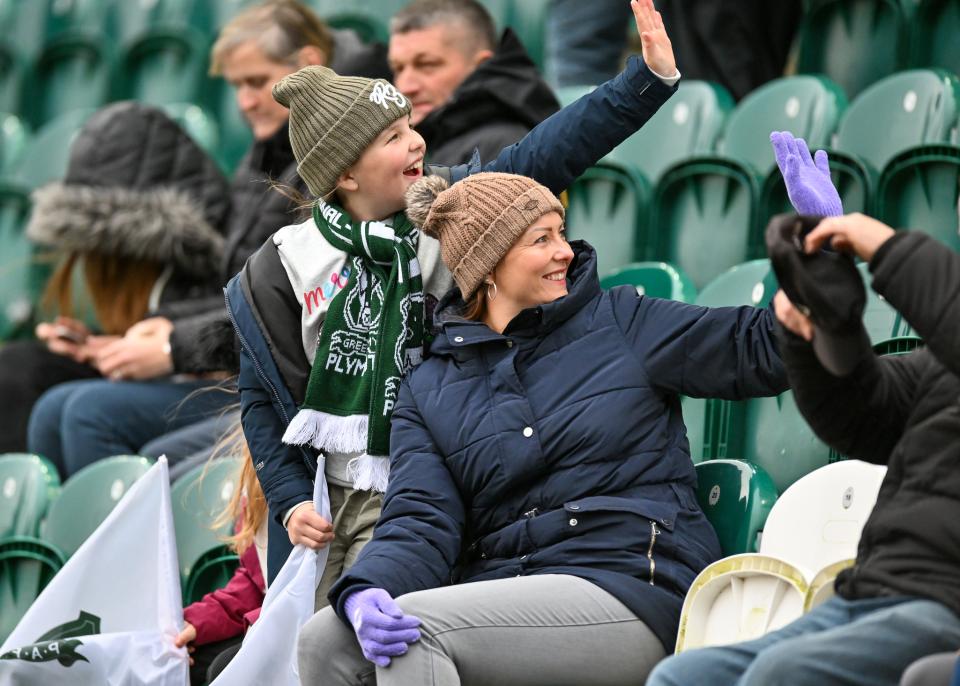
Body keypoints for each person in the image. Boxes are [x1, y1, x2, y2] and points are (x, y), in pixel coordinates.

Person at [227, 0, 681, 590]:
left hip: (426, 489)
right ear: (344, 174)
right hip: (323, 499)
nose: (417, 144)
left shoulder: (448, 210)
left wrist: (644, 82)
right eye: (393, 137)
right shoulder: (283, 265)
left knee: (362, 638)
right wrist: (288, 499)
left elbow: (548, 153)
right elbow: (260, 398)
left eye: (411, 126)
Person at [294, 169, 788, 684]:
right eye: (542, 239)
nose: (566, 251)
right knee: (324, 639)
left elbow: (760, 348)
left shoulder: (621, 322)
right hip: (504, 591)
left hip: (628, 581)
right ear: (488, 266)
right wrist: (368, 587)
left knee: (421, 634)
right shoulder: (428, 389)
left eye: (561, 231)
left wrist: (819, 253)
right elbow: (421, 520)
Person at [646, 144, 960, 685]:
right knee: (684, 678)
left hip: (942, 605)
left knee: (783, 675)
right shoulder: (944, 365)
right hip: (872, 592)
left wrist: (881, 246)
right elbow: (864, 416)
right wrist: (815, 322)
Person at [0, 101, 229, 473]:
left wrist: (171, 347)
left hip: (222, 387)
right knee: (25, 376)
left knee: (87, 412)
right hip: (165, 378)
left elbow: (240, 334)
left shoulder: (215, 256)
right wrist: (98, 346)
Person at [388, 0, 559, 165]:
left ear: (481, 66)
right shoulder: (431, 141)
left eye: (427, 64)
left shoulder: (503, 147)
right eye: (398, 68)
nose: (406, 87)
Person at [174, 440, 268, 685]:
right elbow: (253, 580)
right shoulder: (258, 479)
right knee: (181, 659)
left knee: (223, 668)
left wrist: (258, 626)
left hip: (294, 625)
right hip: (265, 620)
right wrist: (197, 623)